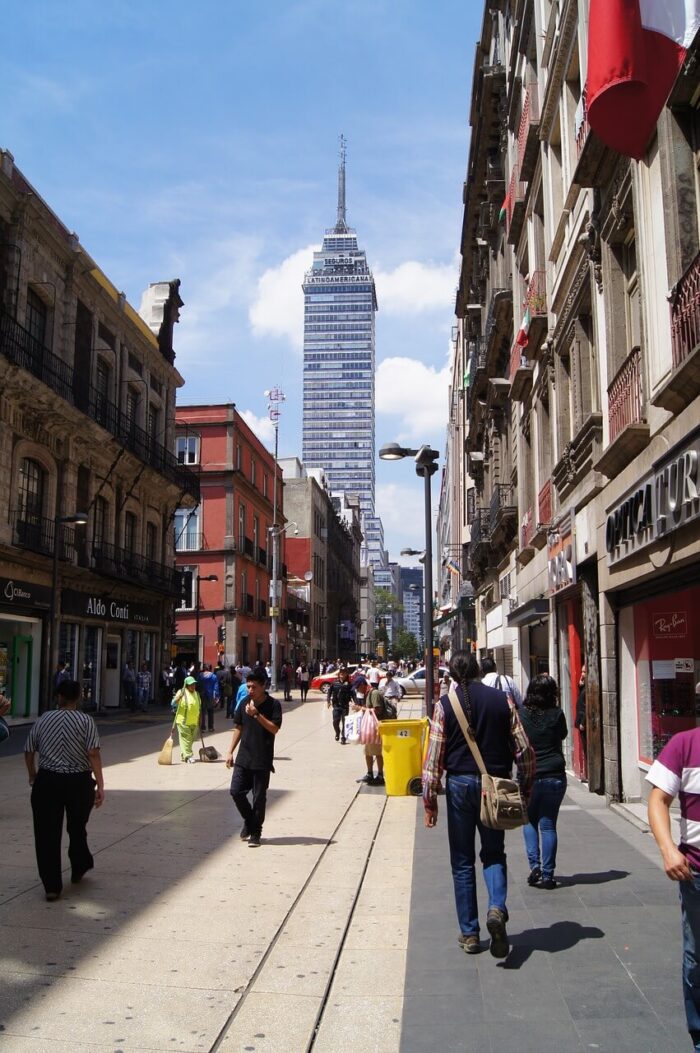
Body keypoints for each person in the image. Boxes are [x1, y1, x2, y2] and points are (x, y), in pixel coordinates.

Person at [423, 650, 535, 958]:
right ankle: (496, 908)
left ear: (452, 674)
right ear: (476, 671)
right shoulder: (503, 700)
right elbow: (525, 750)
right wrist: (523, 789)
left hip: (459, 786)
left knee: (462, 861)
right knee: (493, 853)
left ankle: (470, 933)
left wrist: (430, 800)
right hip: (494, 787)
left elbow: (433, 759)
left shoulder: (444, 705)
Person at [23, 680, 105, 901]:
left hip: (48, 780)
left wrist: (32, 774)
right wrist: (100, 784)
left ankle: (52, 885)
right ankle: (80, 864)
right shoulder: (86, 721)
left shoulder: (43, 719)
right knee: (77, 827)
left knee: (46, 833)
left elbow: (29, 750)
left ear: (58, 696)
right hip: (78, 782)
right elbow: (93, 753)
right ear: (78, 697)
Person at [647, 729, 700, 1050]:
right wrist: (668, 849)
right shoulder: (685, 744)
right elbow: (658, 799)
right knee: (696, 956)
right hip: (696, 873)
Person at [519, 674, 568, 890]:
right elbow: (563, 735)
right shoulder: (557, 714)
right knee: (548, 825)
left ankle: (534, 866)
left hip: (530, 775)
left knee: (529, 820)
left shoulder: (522, 715)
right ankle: (548, 875)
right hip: (555, 774)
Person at [225, 668, 282, 847]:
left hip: (262, 759)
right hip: (244, 757)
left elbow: (274, 728)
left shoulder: (273, 705)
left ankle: (256, 832)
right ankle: (250, 821)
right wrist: (230, 751)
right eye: (248, 686)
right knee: (236, 791)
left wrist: (256, 715)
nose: (250, 690)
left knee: (258, 797)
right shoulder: (244, 703)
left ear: (263, 686)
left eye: (254, 687)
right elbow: (238, 727)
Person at [353, 677, 385, 786]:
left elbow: (377, 710)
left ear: (363, 684)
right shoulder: (368, 693)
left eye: (358, 688)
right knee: (368, 752)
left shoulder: (374, 693)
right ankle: (370, 773)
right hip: (370, 727)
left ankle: (380, 775)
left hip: (376, 727)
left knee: (377, 752)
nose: (357, 690)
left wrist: (359, 708)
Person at [171, 676, 201, 763]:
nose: (193, 686)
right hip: (183, 721)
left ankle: (184, 755)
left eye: (194, 684)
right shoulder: (181, 692)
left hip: (194, 722)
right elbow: (173, 703)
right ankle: (188, 756)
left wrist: (199, 720)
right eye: (191, 685)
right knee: (186, 739)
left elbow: (199, 708)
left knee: (191, 739)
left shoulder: (197, 694)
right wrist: (178, 698)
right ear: (186, 685)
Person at [327, 667, 354, 744]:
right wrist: (328, 701)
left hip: (345, 706)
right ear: (339, 674)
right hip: (336, 705)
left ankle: (343, 737)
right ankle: (337, 732)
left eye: (344, 672)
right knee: (335, 721)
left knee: (344, 722)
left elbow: (353, 694)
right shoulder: (334, 683)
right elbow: (329, 692)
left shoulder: (349, 684)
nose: (342, 674)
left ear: (346, 674)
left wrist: (355, 703)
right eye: (341, 672)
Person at [574, 664, 588, 781]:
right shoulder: (585, 686)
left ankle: (587, 775)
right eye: (582, 672)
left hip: (584, 723)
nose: (582, 674)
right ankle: (586, 774)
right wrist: (580, 685)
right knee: (585, 748)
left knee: (587, 749)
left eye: (584, 672)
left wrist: (583, 722)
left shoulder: (590, 688)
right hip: (581, 721)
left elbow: (587, 706)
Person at [197, 664, 219, 732]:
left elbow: (197, 685)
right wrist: (217, 697)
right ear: (210, 668)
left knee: (202, 712)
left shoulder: (200, 675)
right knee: (210, 711)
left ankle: (202, 728)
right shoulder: (214, 676)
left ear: (204, 668)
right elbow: (216, 687)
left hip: (202, 695)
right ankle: (210, 727)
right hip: (210, 695)